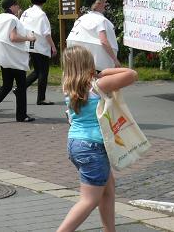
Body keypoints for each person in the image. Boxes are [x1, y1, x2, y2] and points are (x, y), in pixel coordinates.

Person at [57, 46, 138, 232]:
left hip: (76, 144)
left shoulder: (68, 86)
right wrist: (105, 71)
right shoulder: (98, 85)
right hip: (93, 147)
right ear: (88, 64)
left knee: (108, 189)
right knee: (89, 200)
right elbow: (132, 74)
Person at [0, 0, 36, 124]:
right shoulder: (12, 19)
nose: (18, 8)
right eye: (17, 5)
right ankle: (21, 115)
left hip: (4, 57)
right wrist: (29, 38)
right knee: (21, 86)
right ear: (12, 6)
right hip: (14, 58)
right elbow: (13, 37)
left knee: (6, 86)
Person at [67, 0, 120, 71]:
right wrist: (115, 60)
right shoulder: (101, 20)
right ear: (98, 4)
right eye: (104, 2)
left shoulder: (81, 19)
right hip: (97, 63)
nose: (106, 4)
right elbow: (103, 41)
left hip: (78, 61)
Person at [21, 0, 57, 105]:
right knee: (43, 72)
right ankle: (41, 98)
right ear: (43, 1)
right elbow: (46, 33)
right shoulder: (41, 14)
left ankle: (20, 88)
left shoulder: (26, 12)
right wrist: (53, 46)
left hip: (28, 43)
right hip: (40, 45)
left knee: (37, 71)